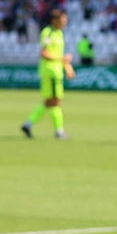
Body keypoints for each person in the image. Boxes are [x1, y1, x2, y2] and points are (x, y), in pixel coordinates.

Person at [21, 8, 75, 140]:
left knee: (50, 102)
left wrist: (68, 68)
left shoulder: (59, 33)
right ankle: (59, 131)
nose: (65, 21)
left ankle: (28, 124)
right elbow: (44, 53)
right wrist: (62, 60)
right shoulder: (48, 32)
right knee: (55, 101)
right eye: (63, 19)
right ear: (55, 20)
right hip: (50, 71)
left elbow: (59, 55)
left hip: (55, 71)